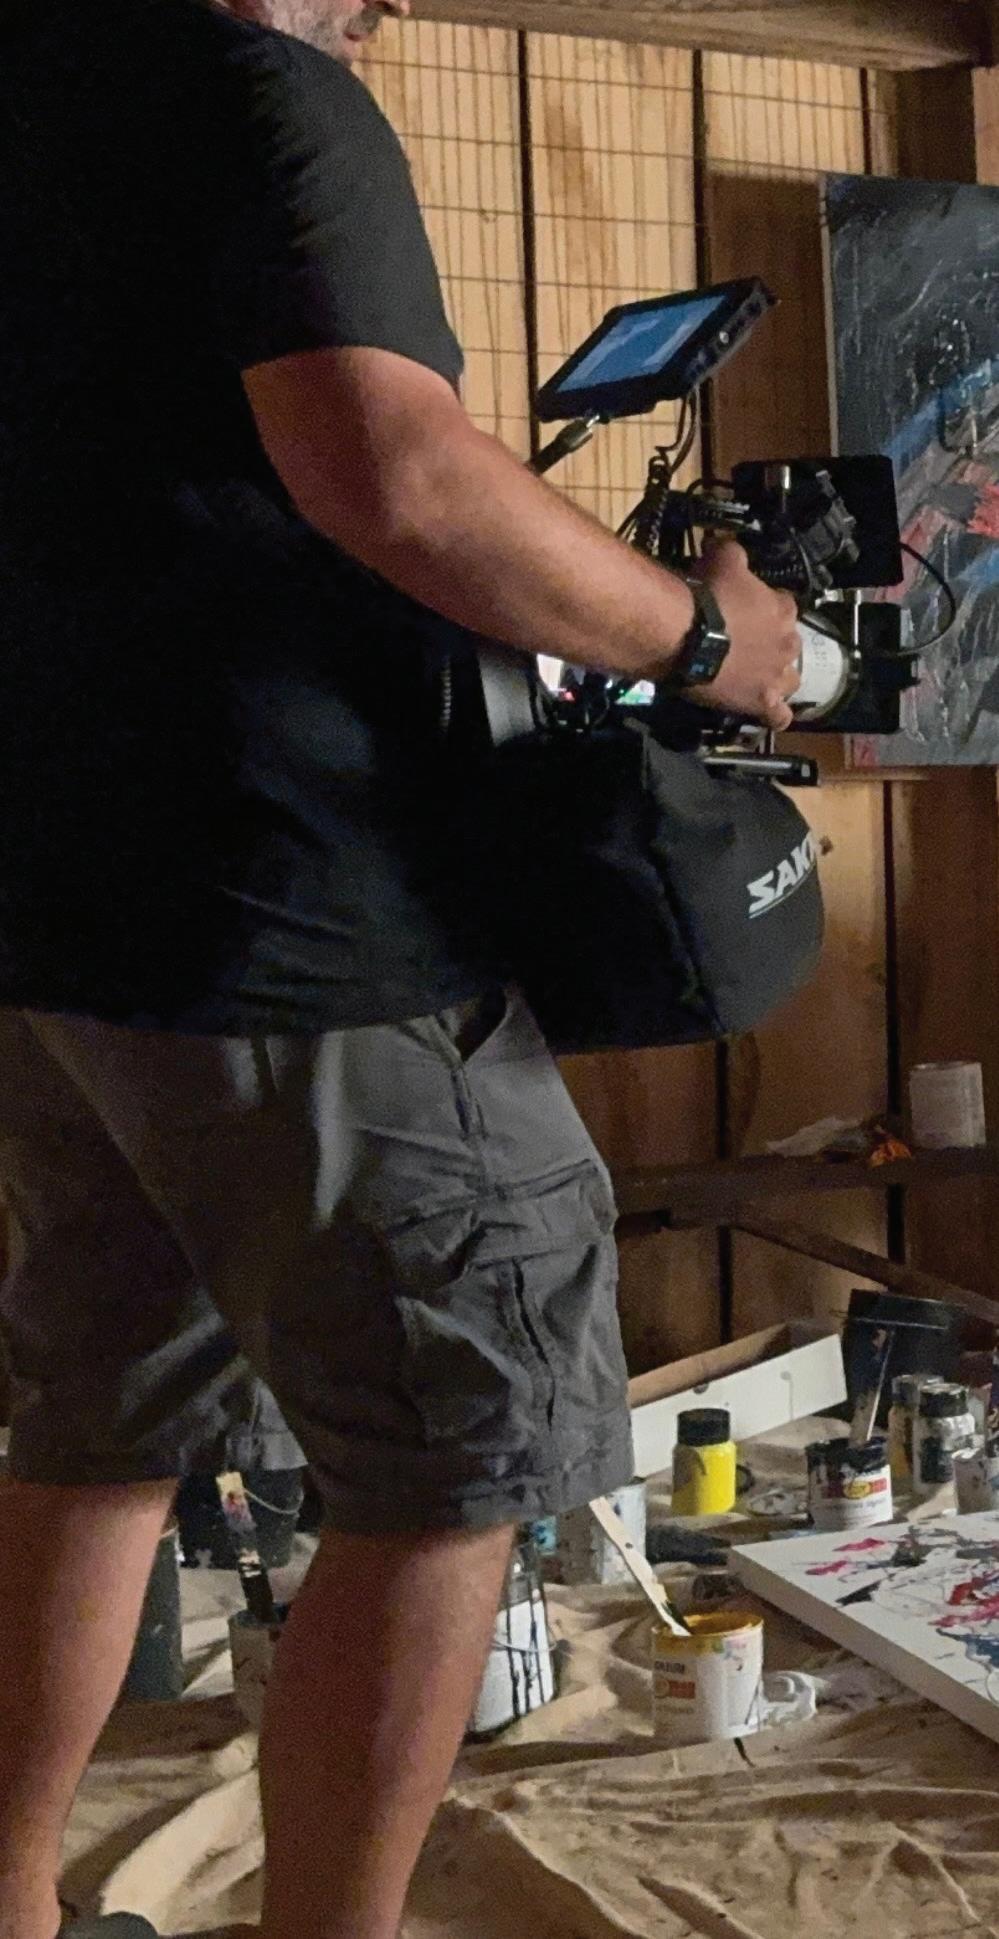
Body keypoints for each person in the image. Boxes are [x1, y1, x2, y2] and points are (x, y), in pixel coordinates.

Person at [0, 2, 801, 1937]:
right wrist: (709, 639)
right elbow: (401, 473)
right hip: (307, 923)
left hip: (67, 928)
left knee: (95, 1430)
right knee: (453, 1463)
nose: (374, 12)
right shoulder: (260, 90)